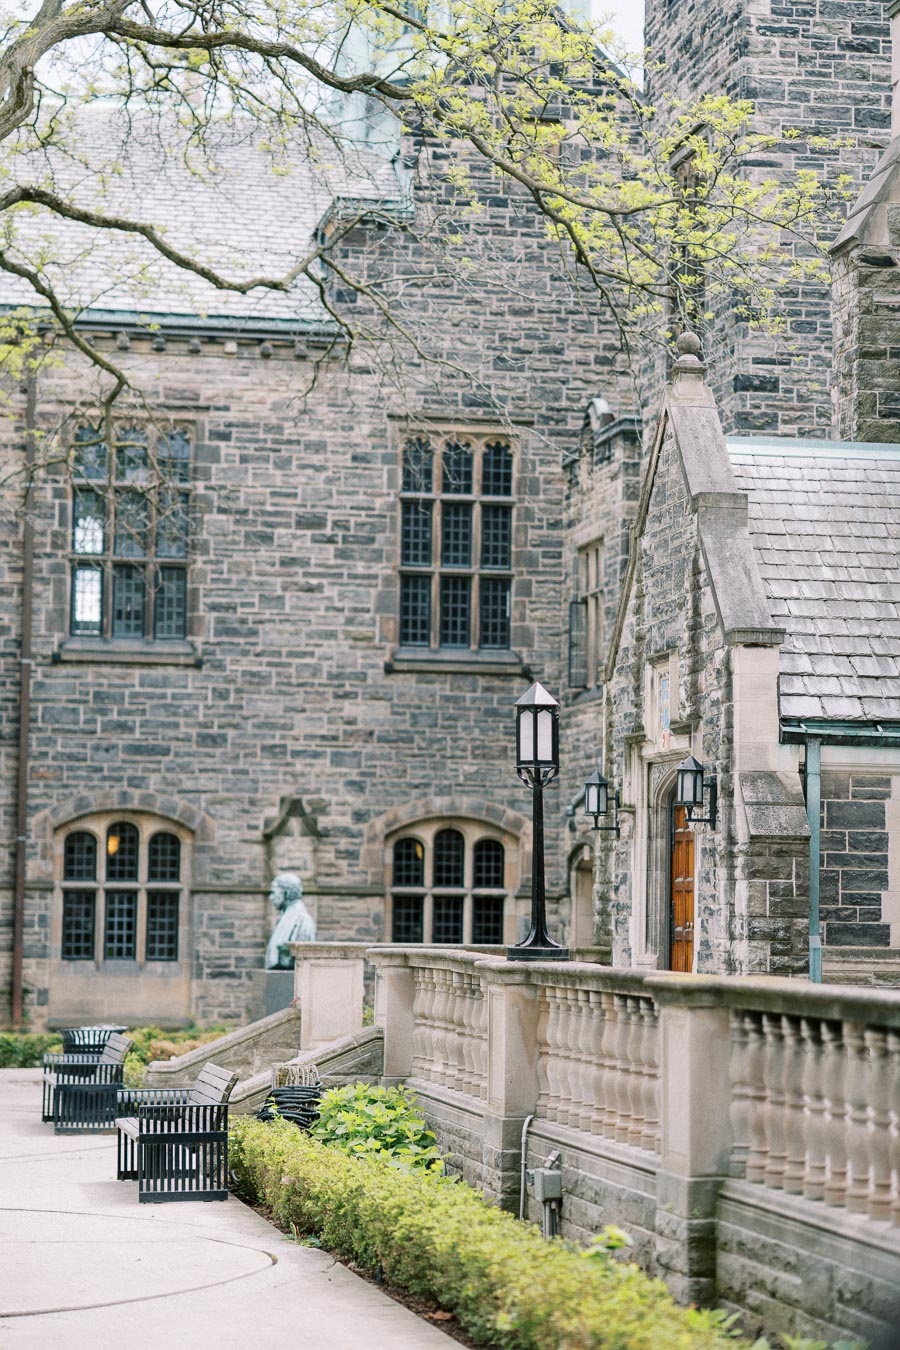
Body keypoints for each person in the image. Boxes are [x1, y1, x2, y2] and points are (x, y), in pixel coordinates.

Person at [264, 872, 316, 969]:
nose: (271, 897)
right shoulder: (286, 917)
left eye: (274, 892)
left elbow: (300, 961)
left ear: (286, 893)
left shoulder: (302, 920)